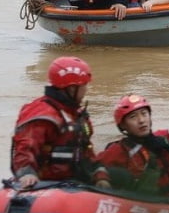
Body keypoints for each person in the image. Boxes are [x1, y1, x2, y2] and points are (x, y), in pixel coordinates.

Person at [11, 56, 111, 189]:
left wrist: (100, 177)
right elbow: (25, 146)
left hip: (74, 181)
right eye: (83, 86)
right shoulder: (43, 114)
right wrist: (27, 173)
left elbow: (87, 151)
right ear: (71, 88)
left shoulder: (78, 115)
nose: (86, 90)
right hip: (47, 184)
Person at [96, 94, 169, 196]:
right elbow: (95, 165)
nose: (141, 120)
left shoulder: (164, 138)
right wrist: (102, 178)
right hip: (148, 203)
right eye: (133, 117)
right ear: (123, 126)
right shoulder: (119, 150)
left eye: (144, 114)